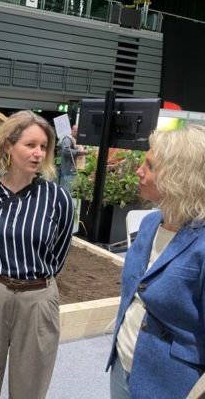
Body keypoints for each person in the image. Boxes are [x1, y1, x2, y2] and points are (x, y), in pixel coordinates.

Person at [0, 110, 74, 399]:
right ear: (9, 146)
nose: (38, 153)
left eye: (43, 147)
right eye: (30, 145)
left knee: (30, 387)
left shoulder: (58, 199)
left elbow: (58, 255)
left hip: (38, 299)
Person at [107, 125, 205, 399]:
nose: (139, 171)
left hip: (171, 383)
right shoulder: (150, 223)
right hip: (123, 365)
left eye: (149, 165)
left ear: (179, 177)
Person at [59, 124, 88, 189]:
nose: (77, 133)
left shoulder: (78, 139)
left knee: (74, 189)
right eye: (76, 131)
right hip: (71, 169)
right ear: (71, 131)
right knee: (69, 188)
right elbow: (66, 150)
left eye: (79, 132)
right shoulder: (67, 139)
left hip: (78, 169)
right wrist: (81, 152)